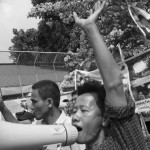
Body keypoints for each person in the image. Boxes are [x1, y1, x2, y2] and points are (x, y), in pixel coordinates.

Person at [71, 0, 148, 149]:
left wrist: (90, 27)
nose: (74, 117)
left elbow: (114, 85)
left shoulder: (125, 140)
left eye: (84, 110)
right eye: (73, 110)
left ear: (105, 118)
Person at [0, 80, 85, 150]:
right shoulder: (38, 124)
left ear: (49, 102)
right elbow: (16, 131)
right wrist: (2, 107)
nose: (31, 106)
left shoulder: (72, 128)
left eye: (34, 102)